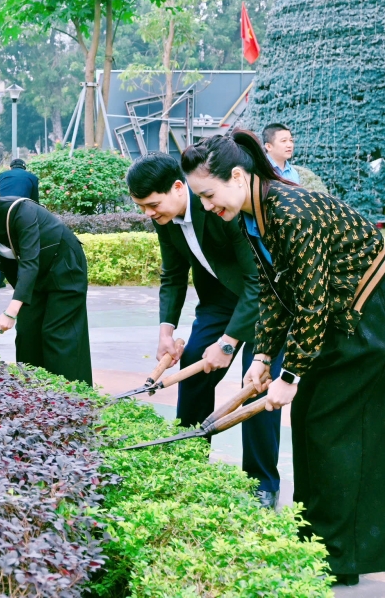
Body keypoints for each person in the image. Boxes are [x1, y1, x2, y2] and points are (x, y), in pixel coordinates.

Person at [180, 131, 385, 586]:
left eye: (208, 194)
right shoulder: (251, 215)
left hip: (371, 310)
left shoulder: (288, 209)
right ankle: (316, 542)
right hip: (339, 309)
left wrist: (291, 373)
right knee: (311, 422)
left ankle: (337, 556)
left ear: (239, 176)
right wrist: (263, 353)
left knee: (332, 424)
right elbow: (271, 290)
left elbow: (311, 302)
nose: (207, 206)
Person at [126, 153, 283, 508]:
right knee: (194, 367)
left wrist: (228, 343)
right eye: (143, 207)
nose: (149, 214)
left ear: (179, 188)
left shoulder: (219, 208)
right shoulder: (163, 217)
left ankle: (261, 485)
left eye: (153, 204)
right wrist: (166, 332)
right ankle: (188, 463)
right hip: (218, 301)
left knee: (255, 385)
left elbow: (258, 280)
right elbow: (173, 273)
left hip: (266, 301)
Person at [0, 170, 92, 385]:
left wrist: (10, 312)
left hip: (64, 268)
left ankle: (73, 400)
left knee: (57, 335)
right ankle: (33, 397)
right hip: (35, 277)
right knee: (27, 336)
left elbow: (29, 262)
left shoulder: (21, 210)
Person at [0, 159, 40, 288]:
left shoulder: (2, 175)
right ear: (24, 167)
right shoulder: (32, 177)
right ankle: (21, 280)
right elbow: (34, 201)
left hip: (0, 211)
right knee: (22, 245)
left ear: (10, 167)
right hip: (19, 211)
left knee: (2, 244)